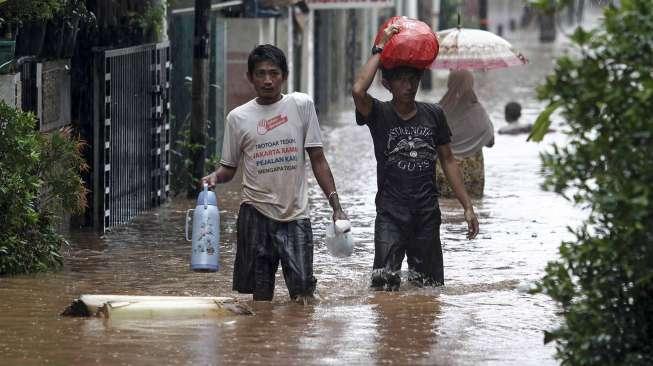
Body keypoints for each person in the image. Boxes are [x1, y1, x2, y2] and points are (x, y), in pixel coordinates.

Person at [202, 44, 347, 302]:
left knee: (304, 294)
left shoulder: (301, 105)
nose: (267, 80)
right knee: (260, 300)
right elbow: (229, 168)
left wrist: (336, 206)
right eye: (260, 74)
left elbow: (318, 159)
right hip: (255, 214)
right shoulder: (237, 118)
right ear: (250, 77)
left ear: (284, 76)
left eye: (274, 73)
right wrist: (215, 177)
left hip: (296, 215)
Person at [351, 24, 479, 291]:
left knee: (429, 291)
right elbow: (358, 91)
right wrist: (379, 48)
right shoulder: (379, 114)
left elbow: (448, 160)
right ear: (388, 84)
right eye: (402, 80)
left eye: (414, 80)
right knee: (384, 289)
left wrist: (467, 205)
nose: (410, 86)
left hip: (426, 215)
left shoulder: (433, 114)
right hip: (390, 214)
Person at [435, 69, 495, 198]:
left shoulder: (438, 110)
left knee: (446, 209)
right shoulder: (478, 110)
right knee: (473, 208)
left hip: (445, 171)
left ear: (449, 83)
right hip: (473, 174)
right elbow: (490, 142)